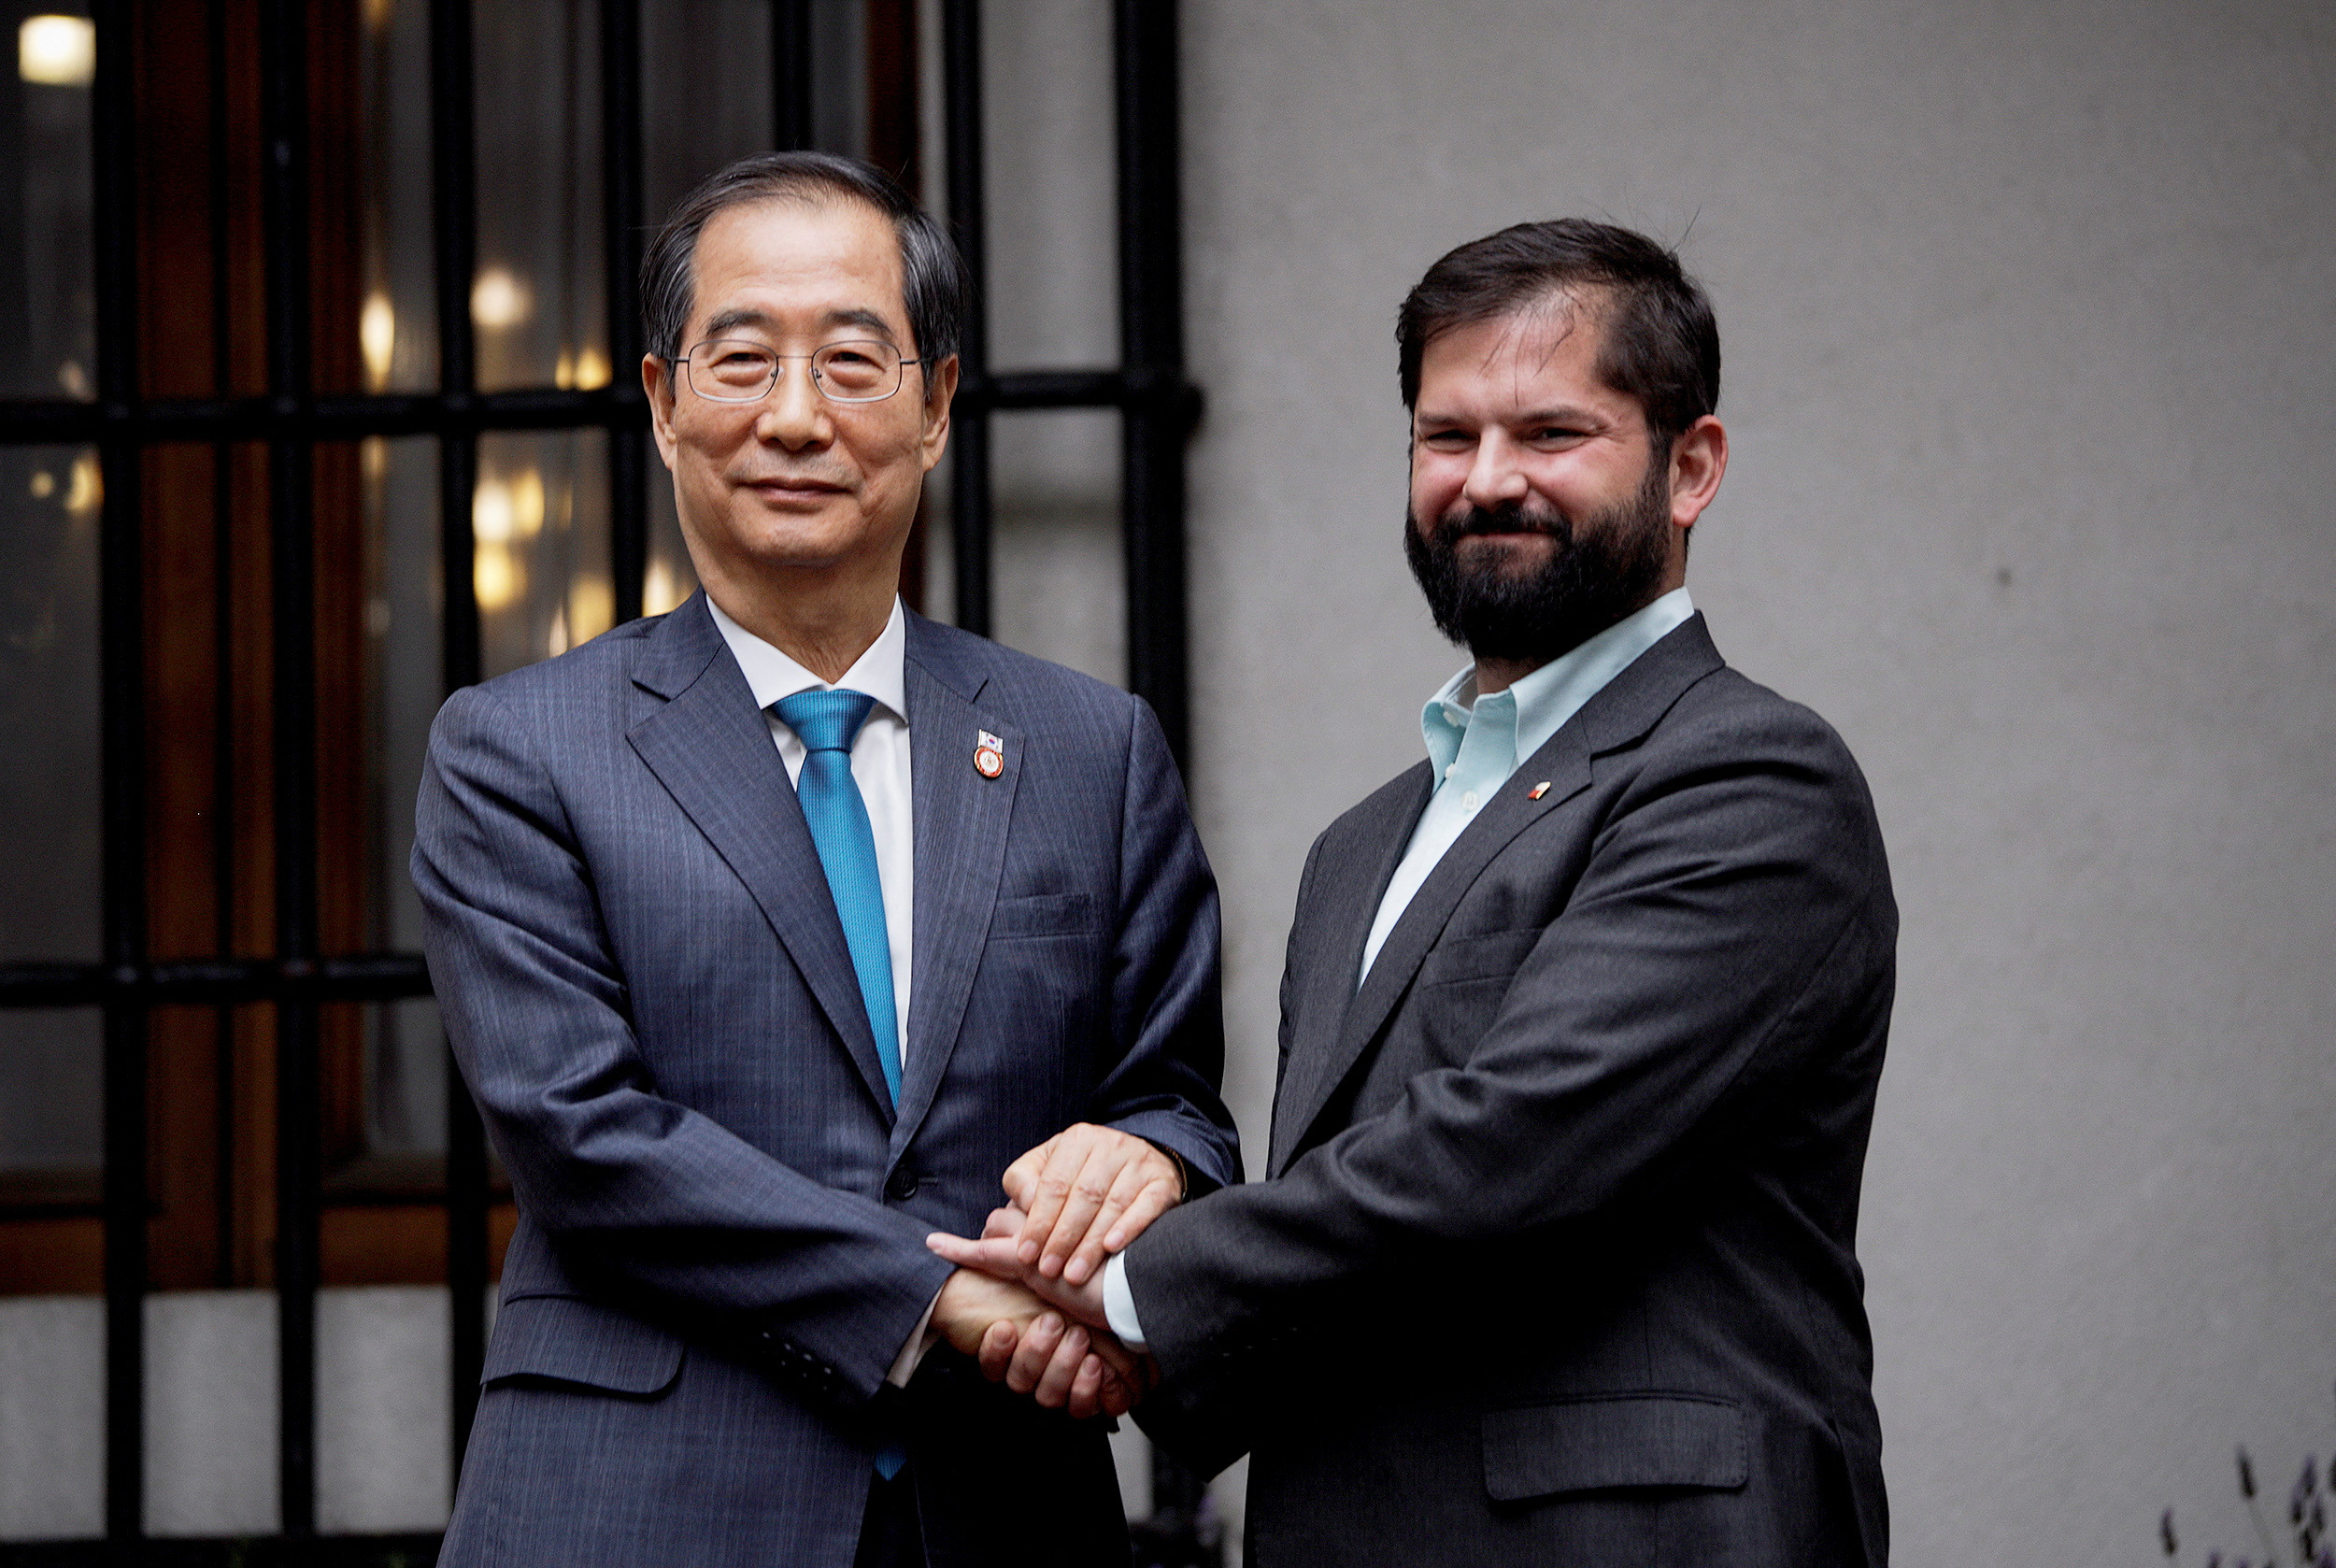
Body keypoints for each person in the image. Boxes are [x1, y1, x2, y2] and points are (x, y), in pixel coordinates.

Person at [933, 219, 1899, 1566]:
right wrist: (1125, 1339)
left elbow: (1513, 1147)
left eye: (1551, 433)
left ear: (1692, 467)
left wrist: (1133, 1287)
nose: (1488, 481)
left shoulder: (1751, 777)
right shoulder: (1361, 847)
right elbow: (1355, 1239)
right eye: (1447, 436)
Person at [413, 151, 1239, 1568]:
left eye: (854, 362)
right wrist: (943, 1300)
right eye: (742, 361)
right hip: (640, 1506)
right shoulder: (520, 750)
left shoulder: (1090, 748)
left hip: (1004, 1505)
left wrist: (1146, 1158)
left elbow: (1175, 1098)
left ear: (938, 406)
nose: (796, 417)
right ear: (663, 402)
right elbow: (580, 1135)